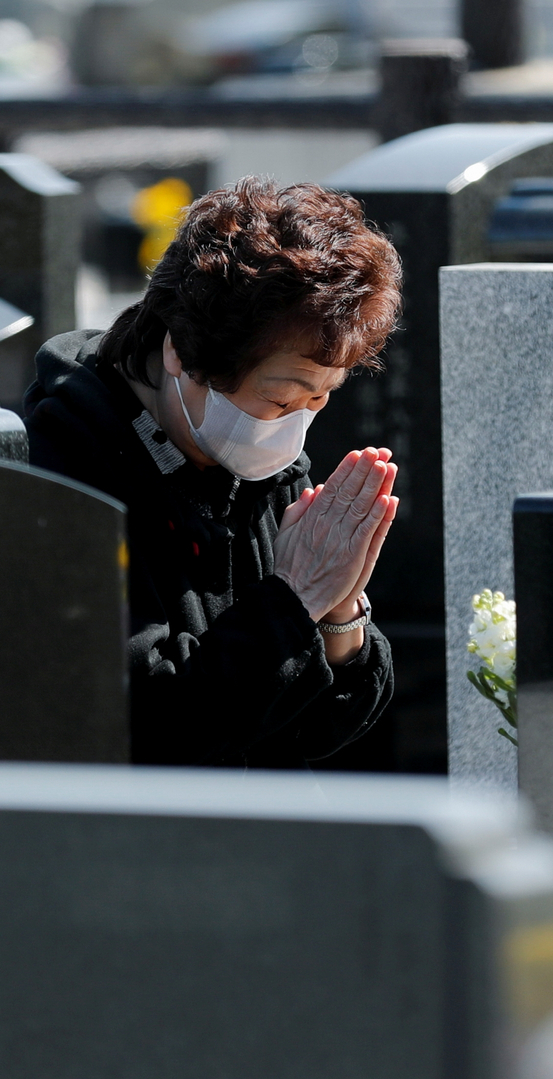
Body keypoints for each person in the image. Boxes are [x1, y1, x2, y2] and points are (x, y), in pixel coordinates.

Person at [24, 177, 403, 769]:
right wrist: (296, 598)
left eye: (322, 397)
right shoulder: (63, 474)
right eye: (281, 399)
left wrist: (338, 611)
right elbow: (143, 729)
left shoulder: (266, 467)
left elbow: (318, 732)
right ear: (180, 352)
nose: (296, 423)